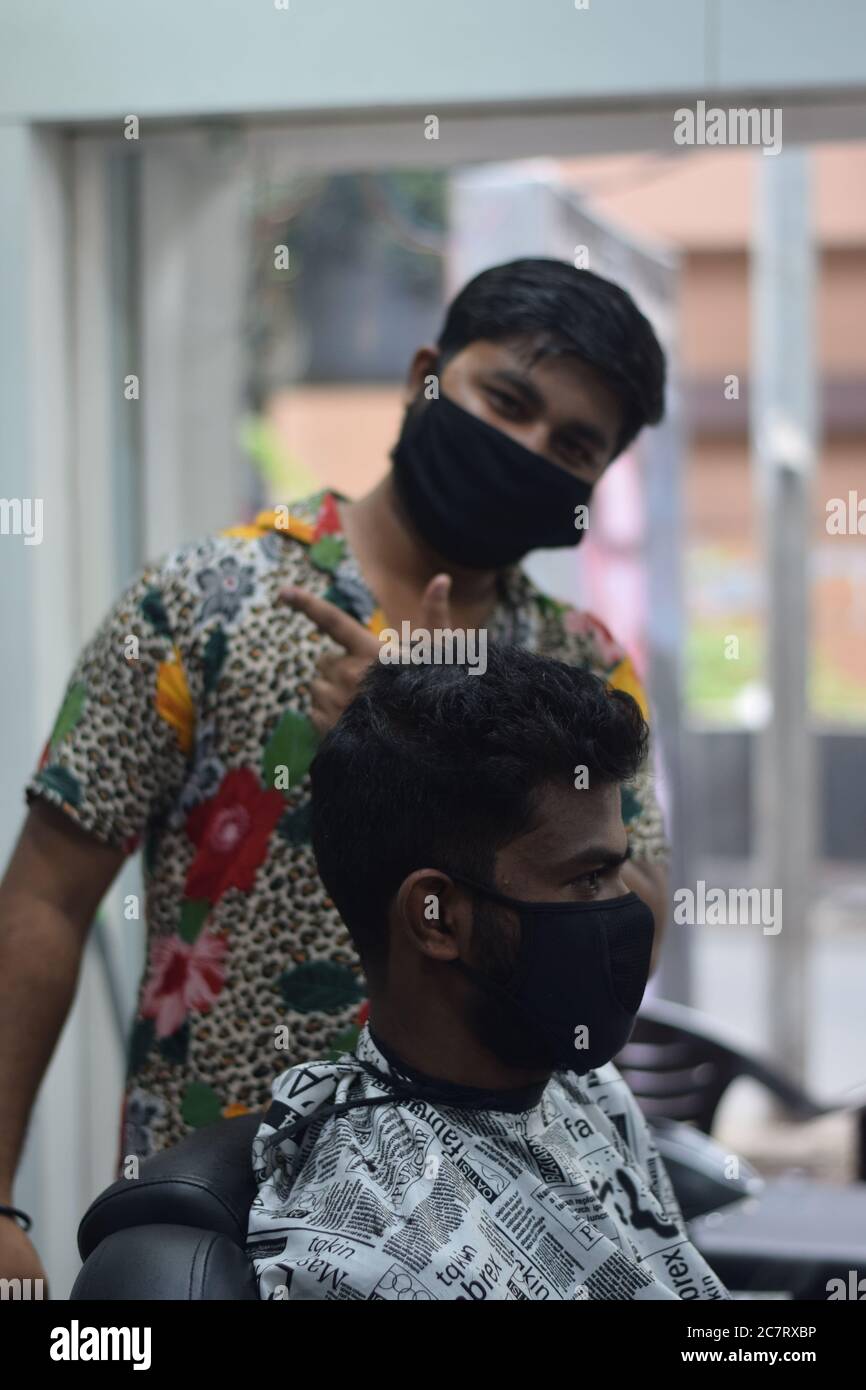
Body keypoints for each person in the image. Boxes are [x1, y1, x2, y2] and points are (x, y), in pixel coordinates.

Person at [0, 257, 669, 1285]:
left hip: (488, 1225)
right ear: (423, 374)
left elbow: (634, 915)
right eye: (506, 400)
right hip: (218, 1219)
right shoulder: (205, 603)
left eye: (571, 444)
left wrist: (422, 710)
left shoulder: (581, 665)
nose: (526, 447)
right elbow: (45, 896)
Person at [248, 648, 727, 1302]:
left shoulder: (588, 1091)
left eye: (619, 870)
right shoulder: (370, 1259)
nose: (627, 908)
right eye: (588, 878)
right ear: (437, 917)